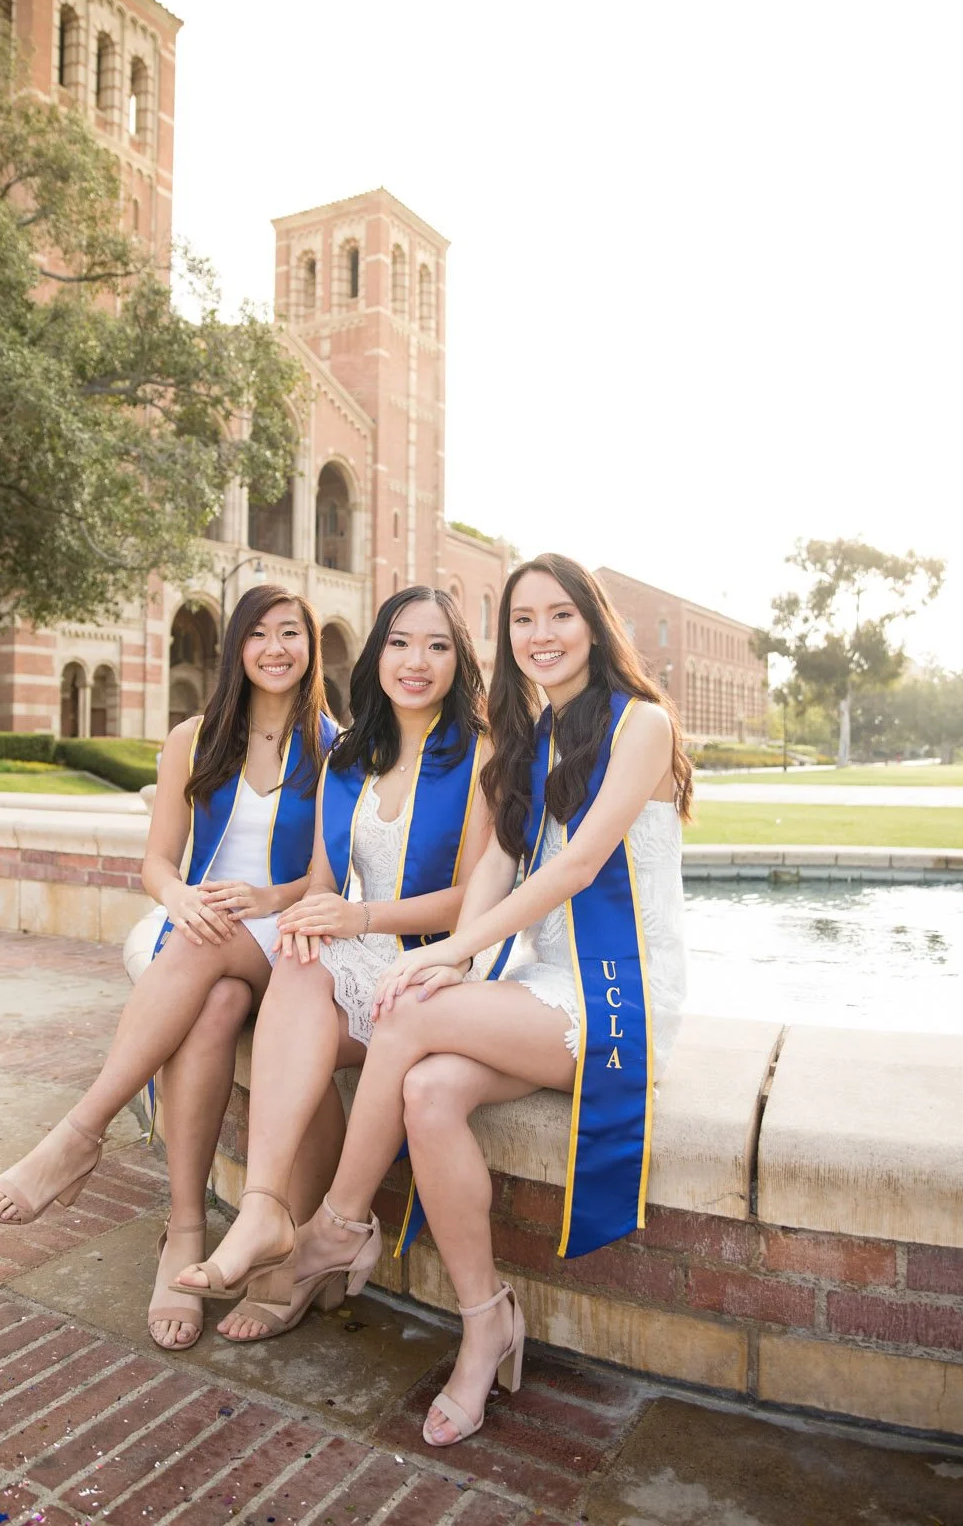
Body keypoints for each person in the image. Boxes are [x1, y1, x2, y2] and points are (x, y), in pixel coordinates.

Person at [243, 554, 691, 1446]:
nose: (542, 635)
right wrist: (458, 963)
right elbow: (495, 862)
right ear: (509, 638)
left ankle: (337, 1224)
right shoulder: (529, 735)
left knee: (407, 1008)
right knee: (428, 1091)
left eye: (560, 616)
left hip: (616, 997)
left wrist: (447, 950)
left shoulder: (641, 724)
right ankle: (486, 1322)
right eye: (524, 620)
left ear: (594, 627)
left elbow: (574, 867)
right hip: (538, 985)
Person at [0, 585, 338, 1352]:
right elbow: (158, 861)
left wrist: (269, 894)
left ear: (312, 648)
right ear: (236, 647)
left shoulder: (337, 746)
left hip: (288, 943)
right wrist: (180, 896)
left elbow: (330, 879)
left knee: (203, 951)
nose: (276, 648)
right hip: (207, 932)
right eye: (260, 634)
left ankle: (78, 1136)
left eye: (292, 634)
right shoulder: (194, 738)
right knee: (209, 1006)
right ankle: (184, 1230)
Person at [168, 585, 494, 1343]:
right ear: (377, 651)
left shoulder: (482, 753)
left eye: (439, 646)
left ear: (460, 660)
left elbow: (477, 902)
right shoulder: (350, 757)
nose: (417, 662)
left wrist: (359, 916)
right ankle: (267, 1216)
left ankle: (284, 1244)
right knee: (300, 969)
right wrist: (312, 918)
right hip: (361, 954)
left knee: (300, 1001)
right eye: (402, 643)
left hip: (441, 967)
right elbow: (322, 878)